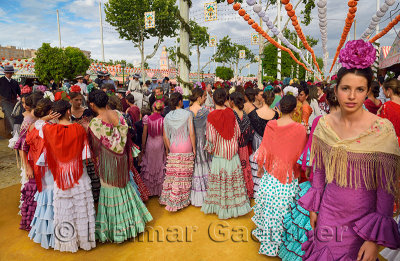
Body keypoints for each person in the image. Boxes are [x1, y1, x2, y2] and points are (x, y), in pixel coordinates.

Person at [299, 40, 400, 260]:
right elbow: (318, 170)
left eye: (359, 89)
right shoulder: (324, 124)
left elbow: (385, 188)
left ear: (367, 91)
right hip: (327, 214)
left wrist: (373, 239)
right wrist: (313, 208)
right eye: (346, 88)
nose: (352, 96)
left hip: (362, 224)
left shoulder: (382, 129)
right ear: (336, 90)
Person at [278, 87, 339, 261]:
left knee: (308, 217)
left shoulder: (320, 120)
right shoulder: (348, 125)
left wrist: (307, 167)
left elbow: (311, 149)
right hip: (337, 184)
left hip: (320, 177)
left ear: (326, 101)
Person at [87, 90, 152, 243]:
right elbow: (125, 137)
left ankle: (117, 231)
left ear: (92, 104)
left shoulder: (95, 123)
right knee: (124, 188)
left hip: (107, 163)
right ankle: (133, 226)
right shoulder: (119, 115)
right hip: (122, 159)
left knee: (110, 192)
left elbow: (95, 147)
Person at [252, 95, 307, 256]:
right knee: (284, 212)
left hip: (271, 174)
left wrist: (261, 169)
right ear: (295, 109)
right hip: (288, 176)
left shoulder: (271, 125)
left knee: (269, 210)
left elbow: (264, 150)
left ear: (279, 108)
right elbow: (301, 155)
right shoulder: (300, 129)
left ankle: (268, 243)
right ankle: (281, 247)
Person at [42, 100, 95, 252]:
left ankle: (67, 242)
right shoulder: (79, 129)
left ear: (55, 113)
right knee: (81, 208)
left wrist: (48, 118)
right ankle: (84, 241)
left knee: (65, 210)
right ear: (68, 112)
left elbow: (36, 125)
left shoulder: (48, 129)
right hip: (79, 174)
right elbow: (86, 156)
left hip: (61, 176)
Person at [201, 88, 251, 219]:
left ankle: (220, 207)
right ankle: (236, 207)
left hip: (219, 155)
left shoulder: (211, 116)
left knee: (221, 183)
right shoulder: (231, 112)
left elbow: (211, 138)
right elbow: (238, 132)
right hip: (232, 154)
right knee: (233, 183)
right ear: (226, 99)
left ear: (213, 99)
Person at [26, 98, 58, 249]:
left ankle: (47, 232)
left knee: (46, 197)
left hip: (42, 167)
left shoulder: (35, 126)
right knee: (51, 195)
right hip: (49, 166)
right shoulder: (46, 126)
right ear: (49, 112)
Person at [160, 93, 195, 211]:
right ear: (180, 101)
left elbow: (165, 137)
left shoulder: (167, 117)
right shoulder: (187, 114)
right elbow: (191, 133)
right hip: (186, 146)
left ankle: (170, 198)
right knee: (184, 176)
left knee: (174, 175)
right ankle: (182, 200)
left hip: (174, 147)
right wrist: (194, 148)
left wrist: (169, 148)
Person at [16, 92, 43, 231]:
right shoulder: (28, 121)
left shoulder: (38, 119)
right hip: (32, 162)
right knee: (33, 193)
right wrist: (27, 167)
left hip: (40, 163)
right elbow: (21, 146)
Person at [248, 89, 279, 196]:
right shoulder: (275, 114)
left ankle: (256, 190)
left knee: (256, 161)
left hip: (257, 139)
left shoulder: (253, 113)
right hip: (270, 141)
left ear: (263, 98)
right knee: (267, 163)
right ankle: (266, 189)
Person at [188, 88, 211, 207]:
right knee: (204, 164)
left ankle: (193, 194)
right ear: (199, 98)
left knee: (193, 166)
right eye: (204, 96)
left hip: (190, 143)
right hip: (202, 141)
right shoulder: (205, 112)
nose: (206, 98)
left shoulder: (187, 111)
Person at [230, 91, 254, 199]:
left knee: (235, 169)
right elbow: (249, 132)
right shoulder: (244, 114)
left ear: (232, 102)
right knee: (244, 168)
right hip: (244, 147)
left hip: (234, 147)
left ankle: (236, 194)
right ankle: (246, 192)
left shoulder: (231, 114)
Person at [140, 100, 166, 196]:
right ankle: (159, 190)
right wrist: (167, 149)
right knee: (159, 165)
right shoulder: (163, 120)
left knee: (149, 165)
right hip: (160, 143)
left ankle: (149, 190)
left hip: (150, 143)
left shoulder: (147, 118)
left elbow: (144, 134)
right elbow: (164, 136)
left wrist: (143, 147)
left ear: (153, 108)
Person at [379, 78, 400, 145]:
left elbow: (382, 127)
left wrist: (378, 114)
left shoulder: (387, 106)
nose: (383, 92)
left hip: (394, 143)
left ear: (389, 90)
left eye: (383, 90)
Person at [0, 65, 21, 133]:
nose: (9, 74)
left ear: (12, 73)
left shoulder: (15, 82)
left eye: (10, 73)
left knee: (17, 115)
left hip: (14, 101)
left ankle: (9, 131)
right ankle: (15, 132)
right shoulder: (1, 81)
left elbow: (19, 93)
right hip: (4, 100)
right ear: (5, 73)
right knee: (10, 115)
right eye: (7, 73)